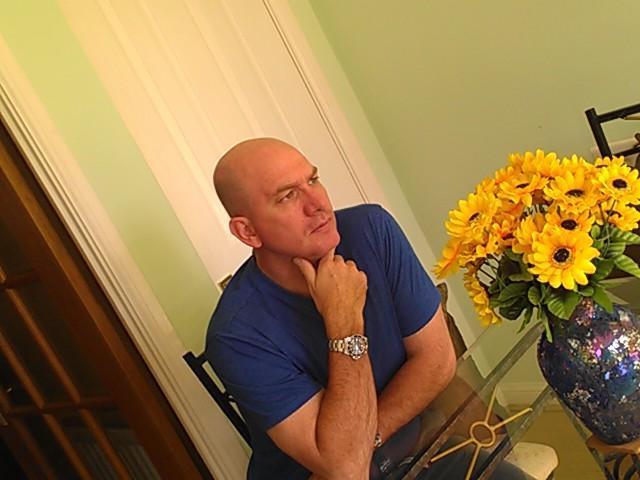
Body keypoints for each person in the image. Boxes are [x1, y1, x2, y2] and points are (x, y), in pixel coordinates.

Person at [205, 138, 524, 479]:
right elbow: (346, 471)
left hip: (417, 452)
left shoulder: (371, 229)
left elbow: (437, 358)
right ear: (248, 231)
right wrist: (344, 323)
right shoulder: (235, 335)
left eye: (313, 180)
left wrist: (365, 442)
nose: (318, 204)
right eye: (288, 196)